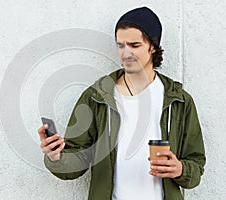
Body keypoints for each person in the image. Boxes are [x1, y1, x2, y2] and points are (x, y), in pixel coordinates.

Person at [38, 6, 206, 200]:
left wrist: (180, 169)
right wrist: (55, 156)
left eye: (134, 45)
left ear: (153, 46)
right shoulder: (96, 97)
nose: (126, 53)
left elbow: (196, 164)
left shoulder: (179, 100)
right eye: (121, 45)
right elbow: (77, 159)